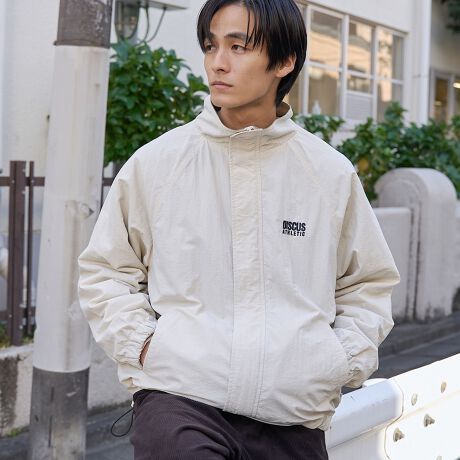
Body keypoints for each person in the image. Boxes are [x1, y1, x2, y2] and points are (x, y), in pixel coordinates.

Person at [78, 0, 400, 458]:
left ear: (284, 61)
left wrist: (336, 361)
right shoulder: (158, 163)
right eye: (211, 46)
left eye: (238, 46)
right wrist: (144, 345)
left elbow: (367, 284)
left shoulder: (328, 173)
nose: (217, 62)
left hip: (293, 415)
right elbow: (106, 271)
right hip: (180, 399)